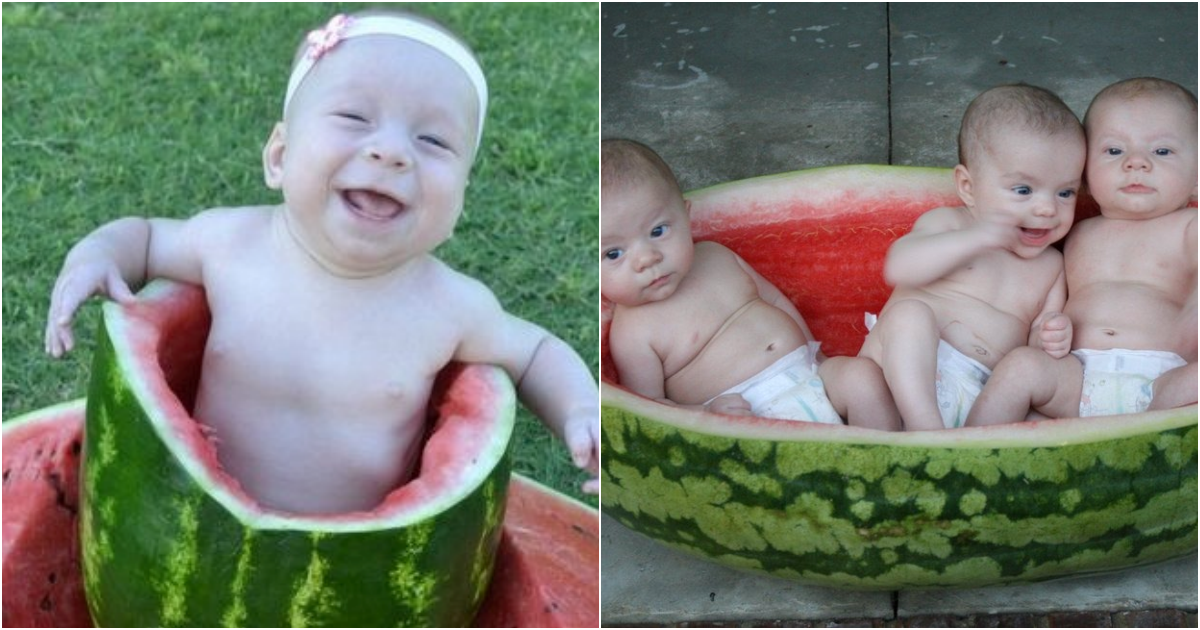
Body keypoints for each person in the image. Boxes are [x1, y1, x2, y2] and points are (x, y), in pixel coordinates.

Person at [44, 11, 599, 513]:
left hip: (359, 556)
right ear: (280, 156)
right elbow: (141, 238)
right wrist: (95, 255)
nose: (392, 151)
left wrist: (580, 411)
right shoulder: (229, 244)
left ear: (459, 203)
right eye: (356, 117)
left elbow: (535, 354)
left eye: (432, 140)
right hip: (193, 515)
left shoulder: (450, 308)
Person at [601, 138, 899, 430]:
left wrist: (816, 355)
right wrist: (705, 413)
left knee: (862, 377)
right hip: (749, 416)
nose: (647, 259)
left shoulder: (716, 257)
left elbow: (776, 301)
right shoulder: (632, 334)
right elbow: (650, 410)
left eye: (658, 231)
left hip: (812, 373)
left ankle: (889, 459)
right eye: (614, 253)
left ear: (686, 215)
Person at [966, 78, 1197, 425]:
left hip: (1162, 383)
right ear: (1084, 172)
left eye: (1162, 151)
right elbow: (1047, 305)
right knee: (1020, 367)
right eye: (1114, 151)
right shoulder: (1075, 232)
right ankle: (967, 451)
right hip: (1077, 379)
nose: (1136, 163)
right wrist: (1046, 333)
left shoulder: (1189, 226)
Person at [857, 84, 1084, 430]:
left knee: (1035, 394)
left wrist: (1053, 333)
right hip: (900, 376)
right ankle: (926, 431)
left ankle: (968, 448)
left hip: (979, 397)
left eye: (1065, 192)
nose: (1046, 208)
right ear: (967, 186)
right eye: (1023, 190)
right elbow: (899, 267)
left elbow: (1039, 338)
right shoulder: (948, 223)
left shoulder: (1052, 267)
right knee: (910, 315)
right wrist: (974, 239)